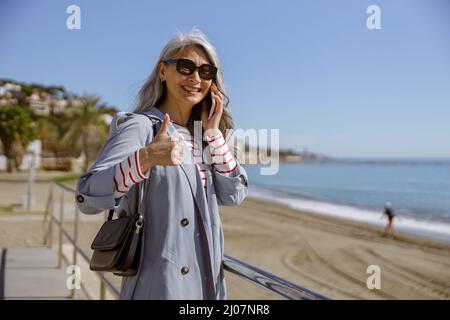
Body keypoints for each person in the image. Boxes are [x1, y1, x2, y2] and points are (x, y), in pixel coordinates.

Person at [75, 28, 249, 300]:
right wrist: (145, 158)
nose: (195, 78)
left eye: (205, 72)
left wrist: (214, 135)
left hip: (206, 288)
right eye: (185, 67)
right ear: (162, 71)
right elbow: (87, 195)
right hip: (159, 287)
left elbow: (234, 194)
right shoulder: (140, 126)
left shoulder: (204, 137)